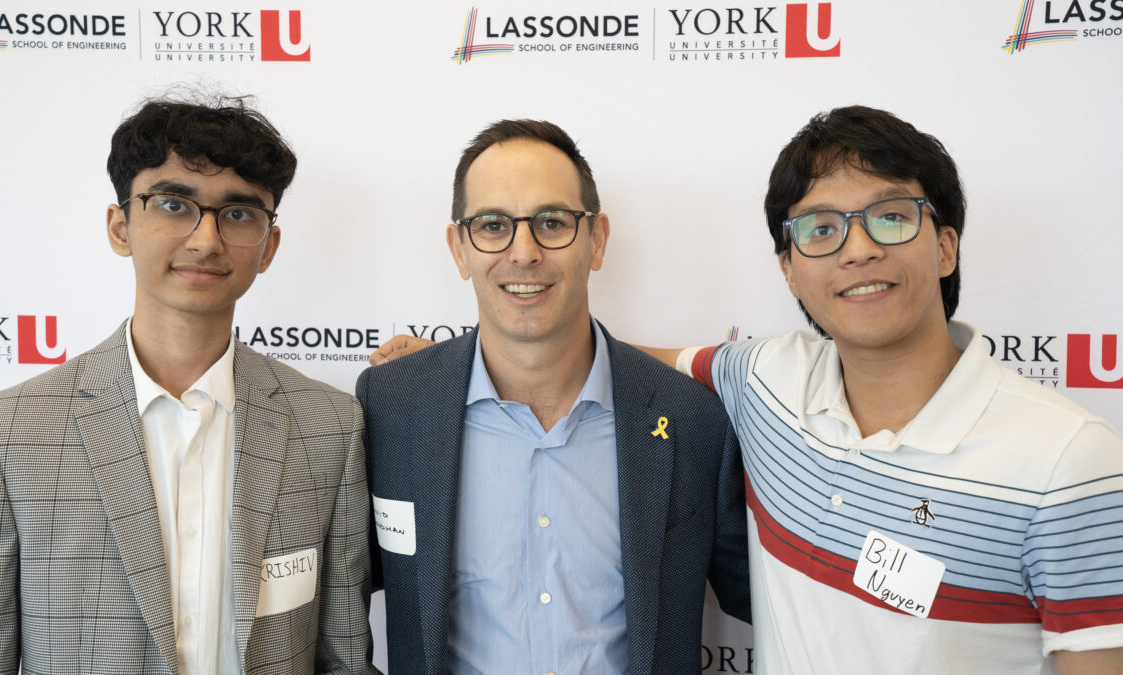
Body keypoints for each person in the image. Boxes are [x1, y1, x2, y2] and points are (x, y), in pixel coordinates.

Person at [371, 106, 1123, 673]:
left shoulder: (1069, 461)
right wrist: (446, 363)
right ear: (790, 265)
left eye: (891, 217)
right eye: (822, 228)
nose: (858, 248)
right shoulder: (768, 383)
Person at [0, 95, 375, 674]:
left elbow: (343, 656)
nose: (206, 240)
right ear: (120, 227)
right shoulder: (7, 433)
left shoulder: (330, 426)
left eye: (238, 214)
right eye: (173, 204)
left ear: (269, 246)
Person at [357, 119, 749, 674]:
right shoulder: (392, 406)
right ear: (459, 247)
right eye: (493, 225)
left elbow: (772, 595)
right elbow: (336, 603)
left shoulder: (692, 419)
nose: (524, 252)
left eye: (551, 222)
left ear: (597, 240)